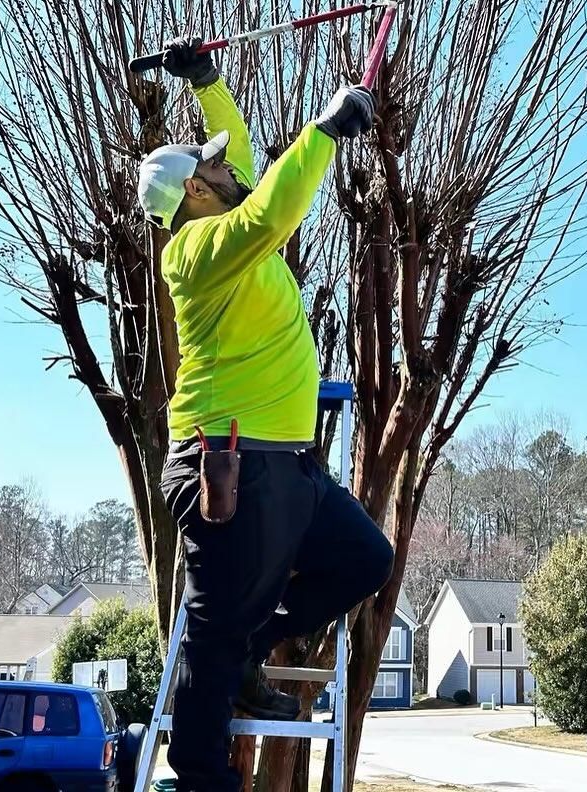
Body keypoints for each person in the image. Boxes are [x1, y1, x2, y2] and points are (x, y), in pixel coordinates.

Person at [137, 38, 394, 792]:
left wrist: (207, 83)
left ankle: (258, 647)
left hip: (288, 466)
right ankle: (200, 779)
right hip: (229, 464)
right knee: (213, 638)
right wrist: (324, 131)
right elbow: (277, 208)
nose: (228, 167)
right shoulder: (194, 250)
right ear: (194, 195)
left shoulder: (226, 217)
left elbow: (245, 154)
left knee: (364, 560)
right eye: (212, 168)